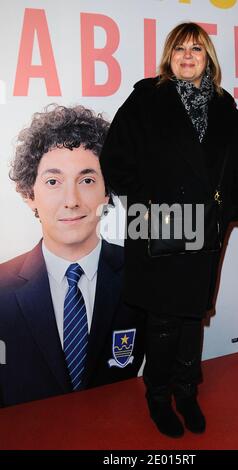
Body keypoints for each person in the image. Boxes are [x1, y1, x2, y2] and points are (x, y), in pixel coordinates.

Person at [100, 22, 238, 438]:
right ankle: (159, 397)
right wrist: (145, 204)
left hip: (204, 225)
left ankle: (187, 392)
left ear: (209, 58)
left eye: (197, 49)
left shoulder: (224, 108)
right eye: (180, 49)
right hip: (160, 222)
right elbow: (115, 156)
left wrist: (227, 211)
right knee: (165, 315)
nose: (188, 56)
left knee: (191, 315)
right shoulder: (146, 99)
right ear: (169, 56)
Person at [0, 105, 145, 408]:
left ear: (107, 192)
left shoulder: (143, 275)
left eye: (87, 180)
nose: (71, 201)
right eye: (53, 182)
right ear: (29, 195)